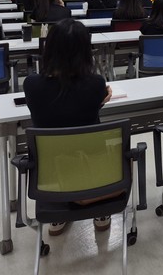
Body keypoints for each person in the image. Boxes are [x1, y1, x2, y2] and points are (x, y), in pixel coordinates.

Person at [23, 19, 113, 235]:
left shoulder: (32, 85)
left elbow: (60, 106)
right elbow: (82, 108)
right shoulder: (96, 85)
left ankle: (59, 212)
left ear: (49, 49)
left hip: (50, 174)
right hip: (92, 170)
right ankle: (100, 211)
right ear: (86, 52)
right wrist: (100, 100)